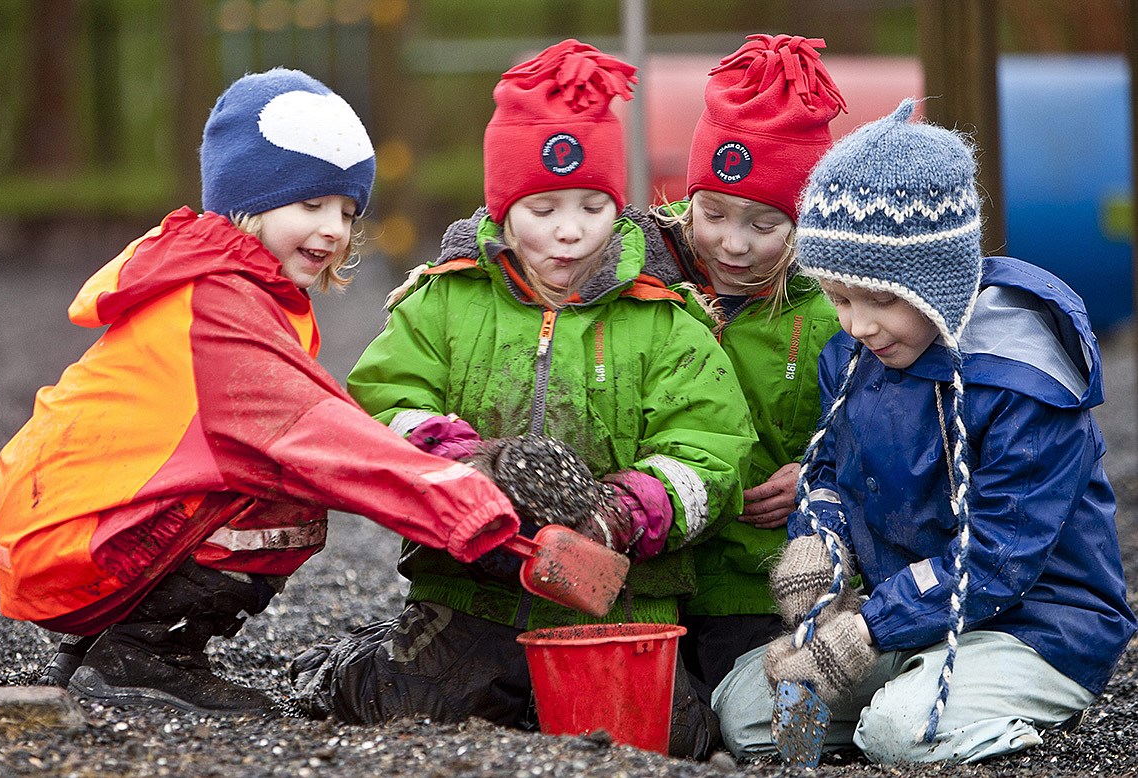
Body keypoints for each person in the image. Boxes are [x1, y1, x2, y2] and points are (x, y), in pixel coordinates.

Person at [0, 68, 521, 717]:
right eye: (310, 204)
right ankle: (141, 658)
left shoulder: (224, 284)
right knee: (287, 496)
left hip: (68, 530)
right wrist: (469, 507)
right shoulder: (219, 310)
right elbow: (318, 435)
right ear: (248, 200)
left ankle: (113, 642)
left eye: (349, 212)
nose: (333, 230)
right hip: (76, 547)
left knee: (269, 475)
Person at [288, 39, 753, 760]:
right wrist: (469, 460)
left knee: (662, 739)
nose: (569, 230)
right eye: (542, 207)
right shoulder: (445, 301)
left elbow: (710, 448)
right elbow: (381, 402)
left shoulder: (664, 318)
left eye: (593, 205)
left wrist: (621, 514)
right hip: (475, 591)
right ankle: (350, 665)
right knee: (408, 705)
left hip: (620, 598)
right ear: (503, 210)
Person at [711, 99, 1137, 764]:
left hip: (1035, 625)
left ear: (944, 282)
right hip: (906, 622)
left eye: (882, 299)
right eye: (839, 297)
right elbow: (828, 473)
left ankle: (1004, 720)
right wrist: (816, 544)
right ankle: (909, 697)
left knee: (897, 731)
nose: (858, 325)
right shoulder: (852, 358)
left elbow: (998, 556)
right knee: (746, 712)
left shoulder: (1019, 380)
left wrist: (865, 632)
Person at [652, 33, 847, 701]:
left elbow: (884, 421)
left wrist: (825, 474)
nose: (732, 244)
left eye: (765, 225)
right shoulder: (651, 282)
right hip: (658, 571)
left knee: (739, 710)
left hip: (758, 582)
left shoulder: (832, 312)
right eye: (713, 213)